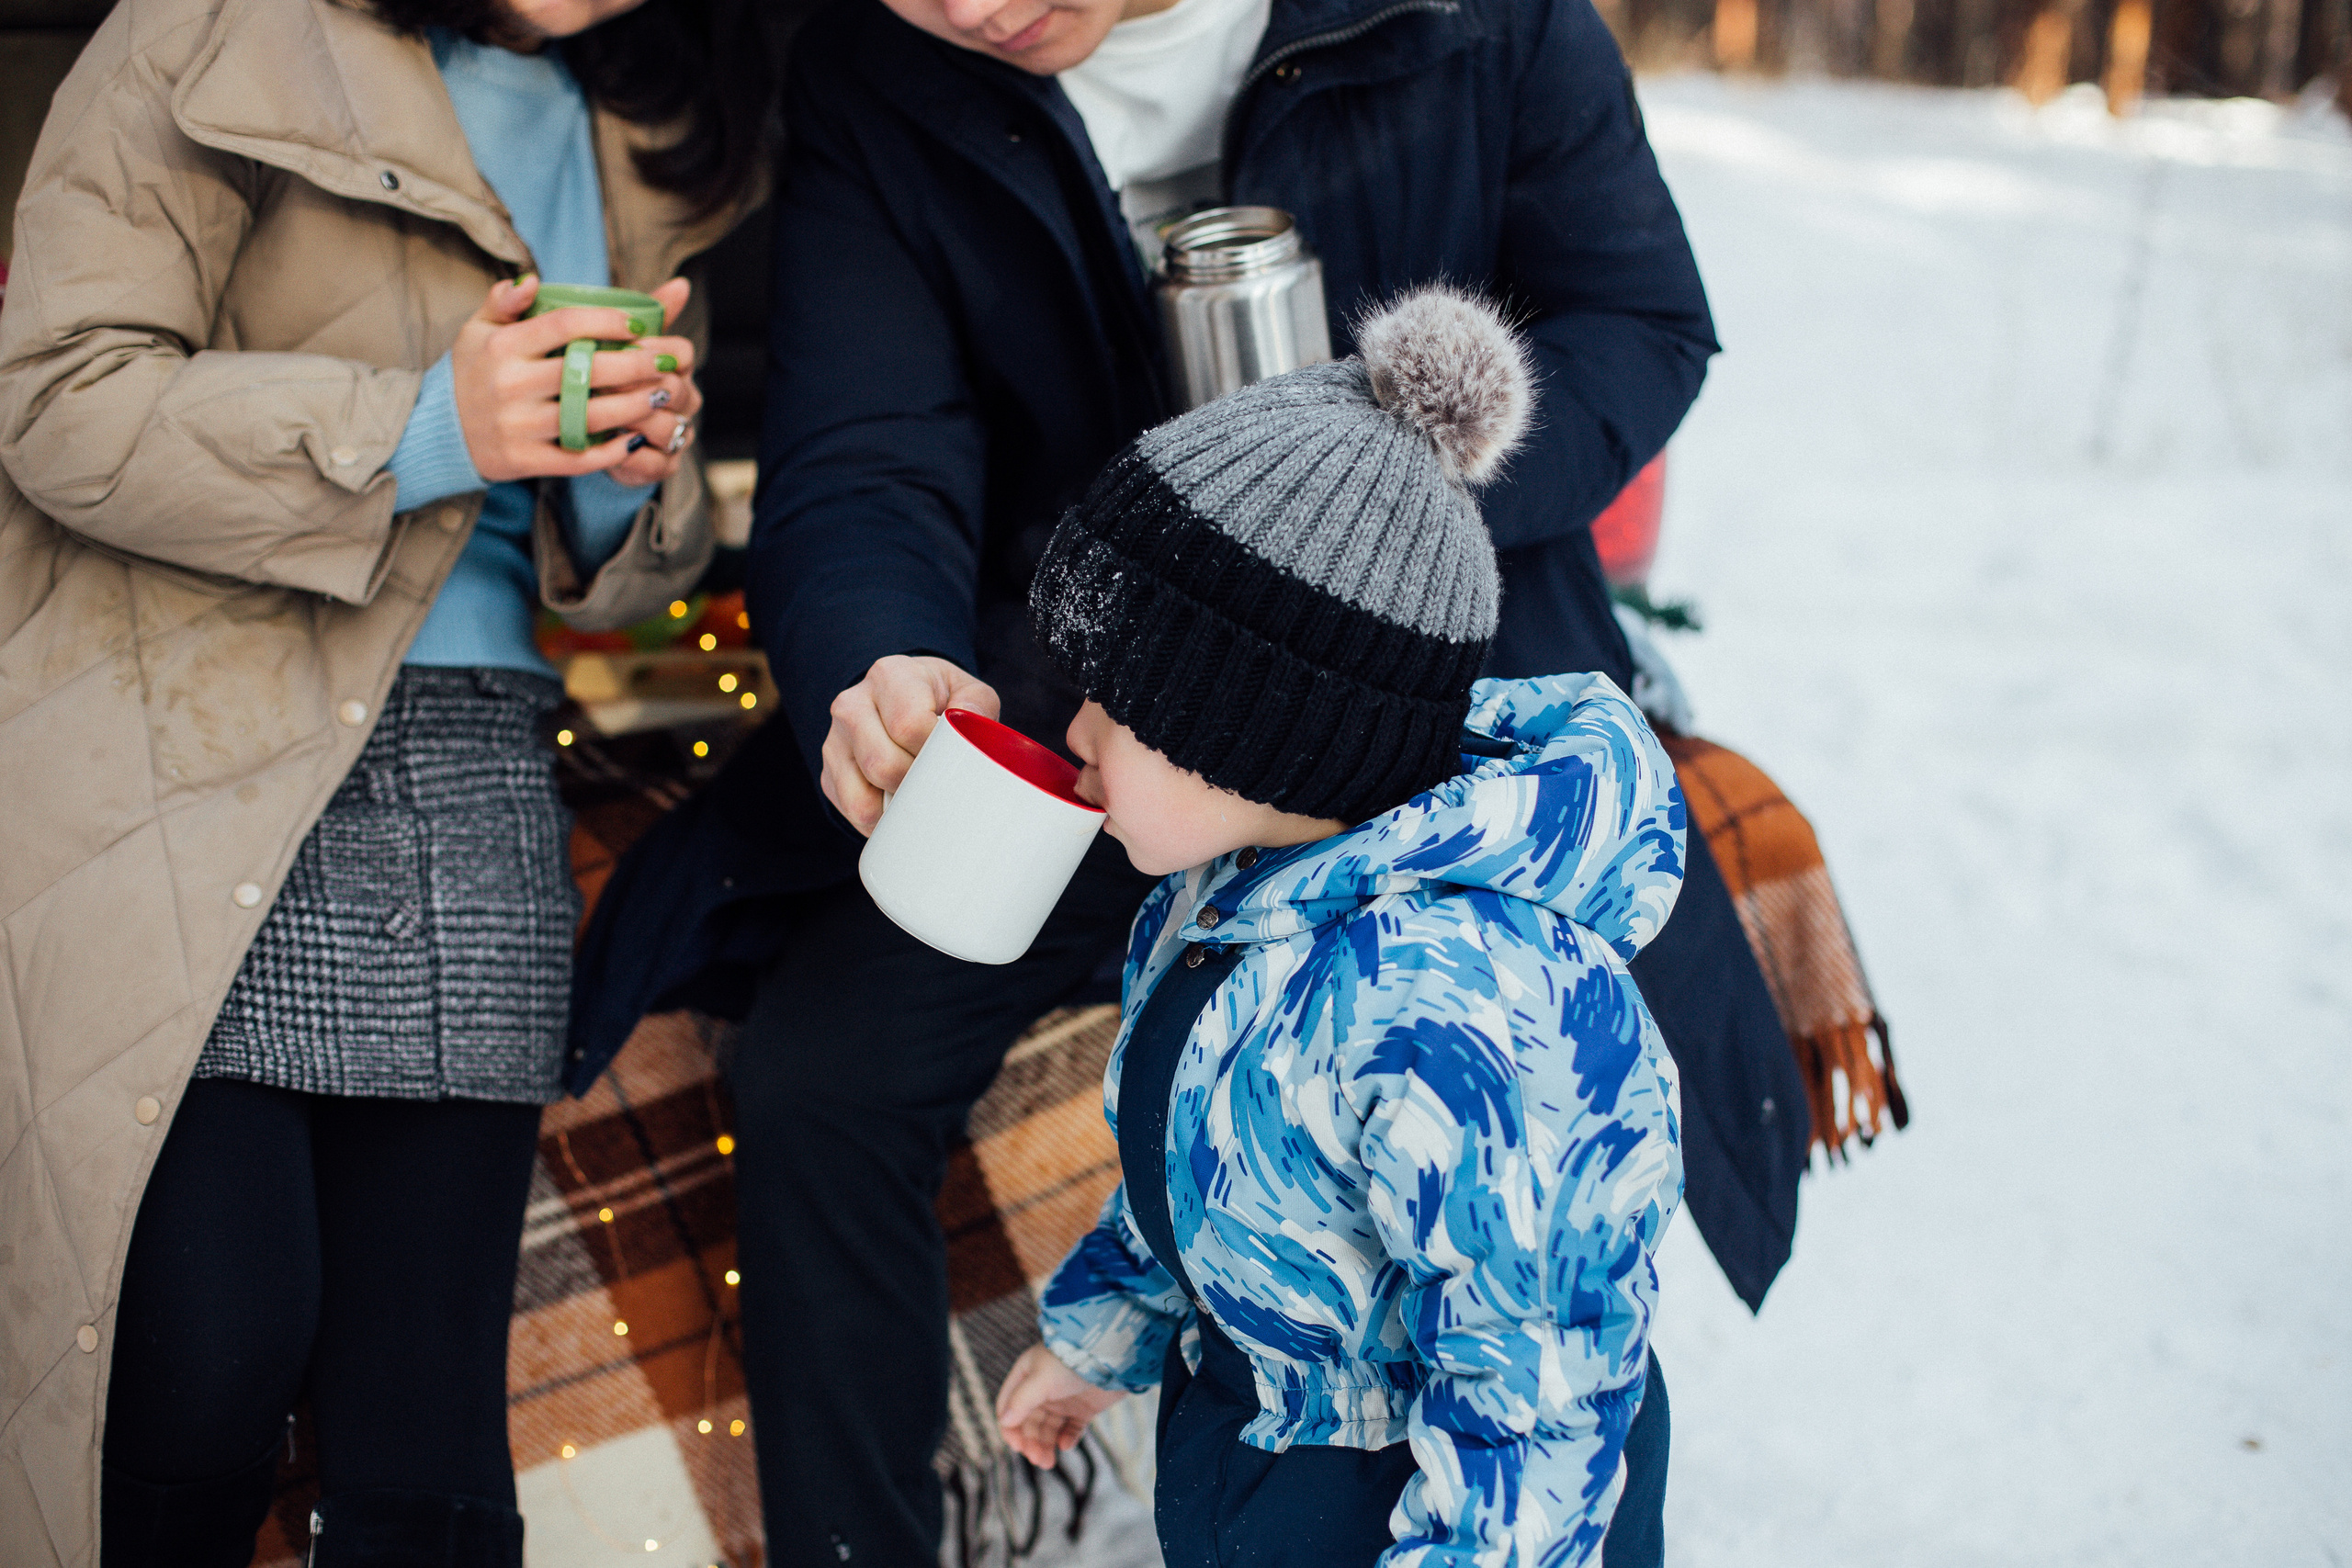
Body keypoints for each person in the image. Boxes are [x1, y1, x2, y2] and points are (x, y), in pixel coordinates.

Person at [568, 0, 1805, 1557]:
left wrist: (1370, 539)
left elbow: (1635, 320)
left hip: (1421, 707)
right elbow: (870, 451)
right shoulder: (882, 74)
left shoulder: (1468, 19)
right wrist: (878, 663)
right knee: (821, 1068)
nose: (963, 9)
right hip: (1090, 720)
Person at [0, 0, 774, 1559]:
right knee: (203, 1359)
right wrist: (426, 423)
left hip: (477, 761)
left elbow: (613, 579)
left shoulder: (653, 118)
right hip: (189, 750)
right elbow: (53, 401)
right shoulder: (211, 24)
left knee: (423, 1437)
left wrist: (624, 484)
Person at [993, 288, 1683, 1568]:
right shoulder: (1231, 913)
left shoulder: (1472, 1009)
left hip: (1411, 1513)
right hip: (1257, 1464)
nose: (1074, 732)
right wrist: (1103, 1339)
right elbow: (1209, 1176)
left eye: (1115, 700)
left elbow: (1534, 1385)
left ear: (1254, 730)